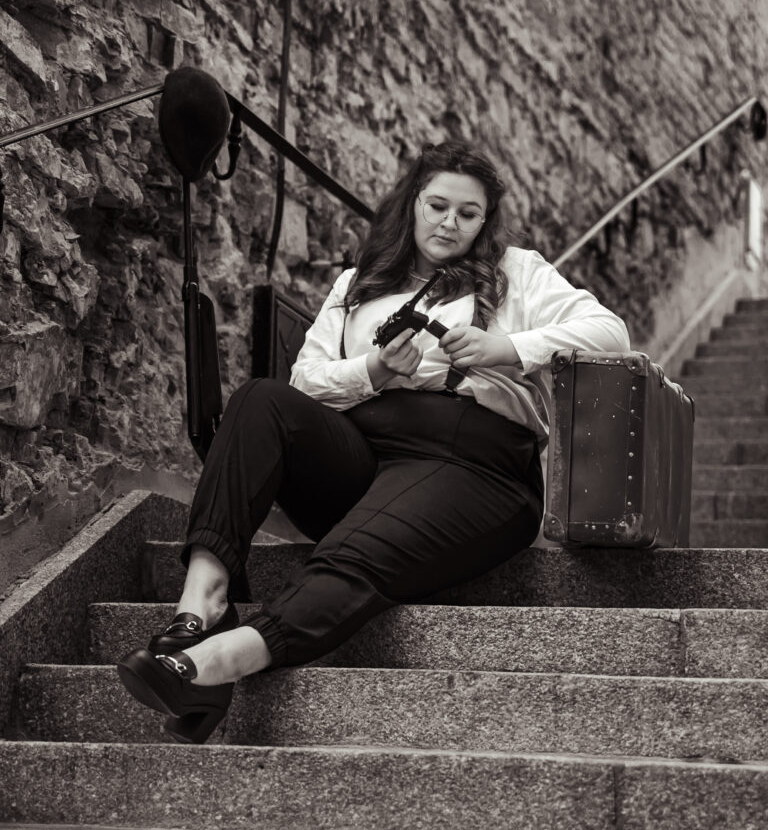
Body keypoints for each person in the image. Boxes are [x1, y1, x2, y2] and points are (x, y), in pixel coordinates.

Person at [117, 139, 630, 743]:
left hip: (471, 462)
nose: (450, 223)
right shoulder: (356, 283)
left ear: (485, 221)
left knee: (357, 551)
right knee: (260, 399)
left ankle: (218, 664)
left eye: (468, 214)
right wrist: (374, 371)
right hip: (364, 453)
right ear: (413, 202)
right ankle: (200, 605)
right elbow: (306, 380)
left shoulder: (516, 271)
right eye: (438, 206)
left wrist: (506, 348)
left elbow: (609, 332)